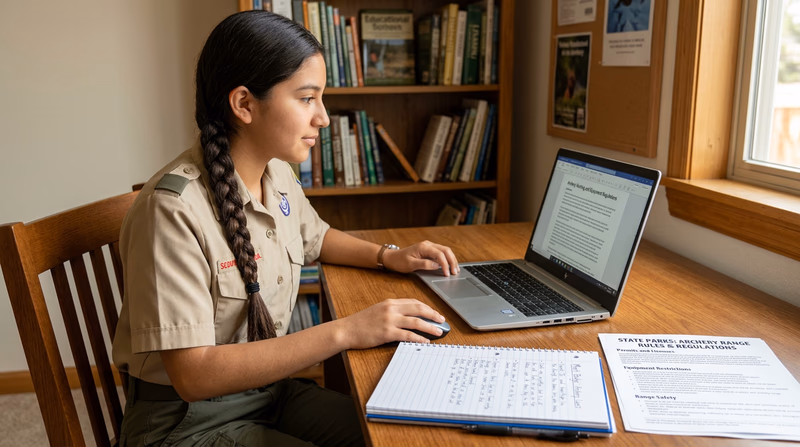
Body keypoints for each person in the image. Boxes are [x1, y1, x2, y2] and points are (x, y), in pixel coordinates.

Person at [112, 10, 459, 447]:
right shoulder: (172, 210)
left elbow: (317, 237)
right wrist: (347, 330)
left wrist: (388, 255)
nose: (324, 118)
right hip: (187, 423)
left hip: (266, 393)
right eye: (307, 98)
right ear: (244, 105)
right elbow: (194, 375)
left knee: (399, 435)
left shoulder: (275, 173)